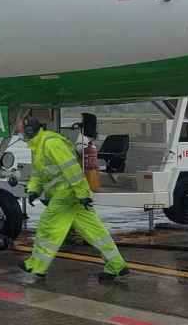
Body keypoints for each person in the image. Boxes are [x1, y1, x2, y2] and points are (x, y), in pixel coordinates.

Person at [21, 116, 130, 282]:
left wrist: (82, 194)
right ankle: (116, 264)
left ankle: (36, 265)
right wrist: (33, 190)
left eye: (21, 128)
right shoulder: (39, 145)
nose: (19, 131)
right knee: (94, 231)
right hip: (71, 194)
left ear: (29, 130)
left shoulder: (51, 143)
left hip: (66, 193)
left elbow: (72, 170)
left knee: (47, 227)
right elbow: (38, 172)